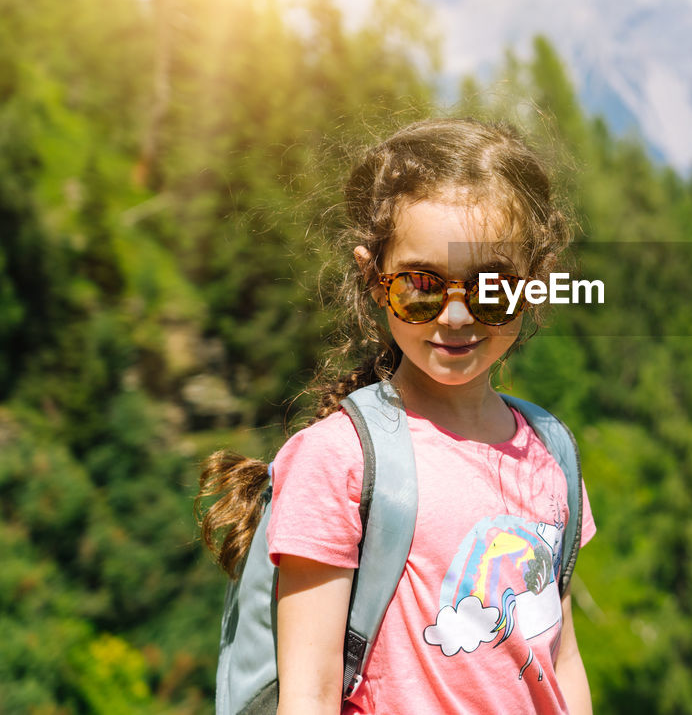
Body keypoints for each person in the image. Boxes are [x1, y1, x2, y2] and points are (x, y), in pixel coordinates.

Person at [197, 118, 595, 714]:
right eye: (421, 286)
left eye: (492, 288)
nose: (456, 316)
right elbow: (309, 695)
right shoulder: (338, 461)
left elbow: (560, 661)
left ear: (535, 285)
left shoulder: (550, 452)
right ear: (372, 278)